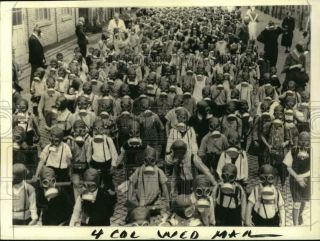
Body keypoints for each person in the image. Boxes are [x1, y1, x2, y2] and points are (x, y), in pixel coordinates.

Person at [283, 131, 310, 226]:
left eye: (306, 140)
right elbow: (288, 167)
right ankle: (295, 224)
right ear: (298, 140)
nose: (303, 142)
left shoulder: (313, 151)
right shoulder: (293, 151)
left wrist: (301, 177)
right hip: (294, 181)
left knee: (304, 200)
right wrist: (297, 177)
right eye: (301, 139)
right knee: (296, 202)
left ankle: (300, 214)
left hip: (307, 181)